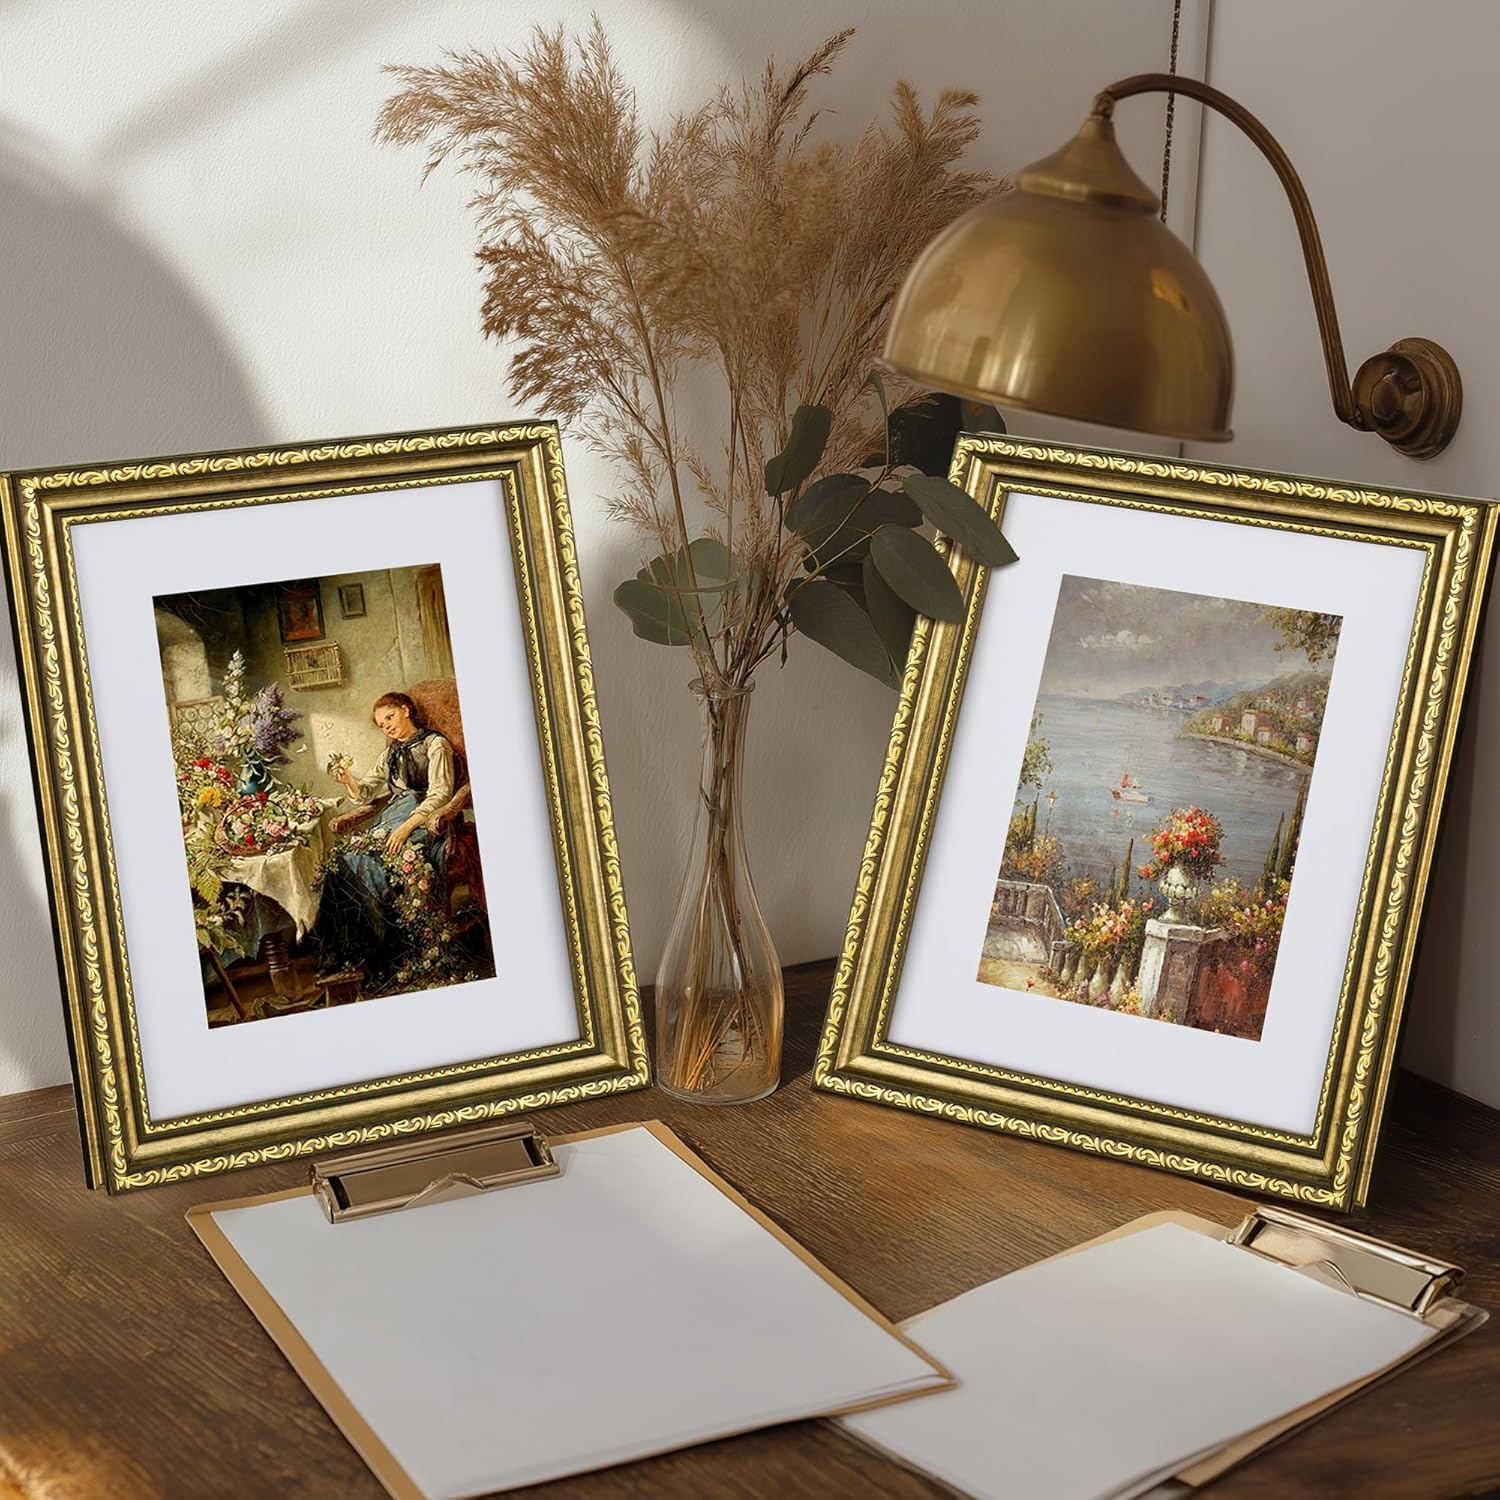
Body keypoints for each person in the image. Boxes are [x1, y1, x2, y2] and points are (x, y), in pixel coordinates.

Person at [317, 692, 455, 990]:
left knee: (372, 866)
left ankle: (387, 956)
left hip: (424, 822)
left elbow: (441, 794)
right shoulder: (391, 752)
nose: (386, 727)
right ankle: (344, 953)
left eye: (389, 717)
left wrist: (407, 827)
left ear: (405, 710)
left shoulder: (435, 745)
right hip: (391, 819)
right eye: (381, 724)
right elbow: (368, 790)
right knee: (342, 864)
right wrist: (349, 782)